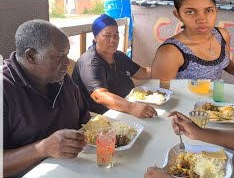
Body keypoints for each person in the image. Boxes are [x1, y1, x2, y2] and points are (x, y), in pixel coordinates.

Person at [2, 19, 91, 177]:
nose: (67, 63)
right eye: (59, 57)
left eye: (67, 55)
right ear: (31, 56)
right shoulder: (5, 89)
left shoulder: (63, 80)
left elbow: (86, 123)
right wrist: (42, 149)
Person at [72, 14, 158, 118]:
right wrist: (132, 107)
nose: (113, 40)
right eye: (107, 36)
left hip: (124, 107)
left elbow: (143, 73)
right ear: (95, 37)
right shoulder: (90, 62)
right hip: (102, 116)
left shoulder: (119, 56)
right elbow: (100, 96)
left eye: (116, 35)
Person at [151, 0, 234, 88]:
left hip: (214, 101)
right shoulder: (170, 52)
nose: (202, 20)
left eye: (208, 11)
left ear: (216, 11)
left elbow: (223, 61)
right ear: (178, 15)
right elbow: (160, 94)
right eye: (190, 12)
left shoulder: (222, 35)